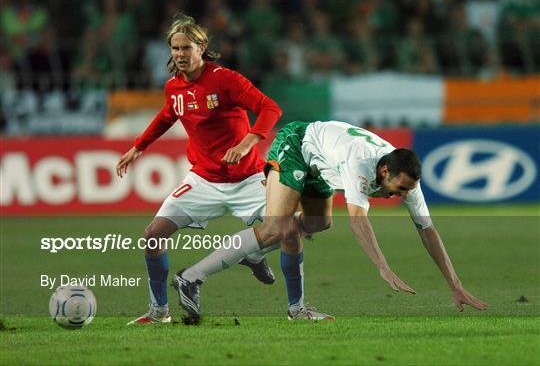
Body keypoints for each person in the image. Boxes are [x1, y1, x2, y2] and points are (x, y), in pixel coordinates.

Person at [174, 120, 488, 321]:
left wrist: (455, 285)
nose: (404, 195)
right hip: (297, 144)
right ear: (384, 173)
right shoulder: (361, 163)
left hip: (322, 164)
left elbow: (427, 231)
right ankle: (191, 277)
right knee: (276, 229)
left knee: (318, 224)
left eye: (410, 190)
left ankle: (257, 257)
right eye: (401, 188)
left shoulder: (405, 178)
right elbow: (358, 221)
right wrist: (383, 267)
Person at [116, 14, 282, 325]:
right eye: (174, 48)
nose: (179, 54)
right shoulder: (173, 88)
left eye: (186, 48)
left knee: (290, 228)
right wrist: (139, 146)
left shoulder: (226, 80)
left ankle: (255, 255)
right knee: (153, 236)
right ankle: (159, 312)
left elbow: (270, 108)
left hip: (248, 179)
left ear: (202, 47)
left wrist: (248, 142)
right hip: (204, 179)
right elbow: (168, 115)